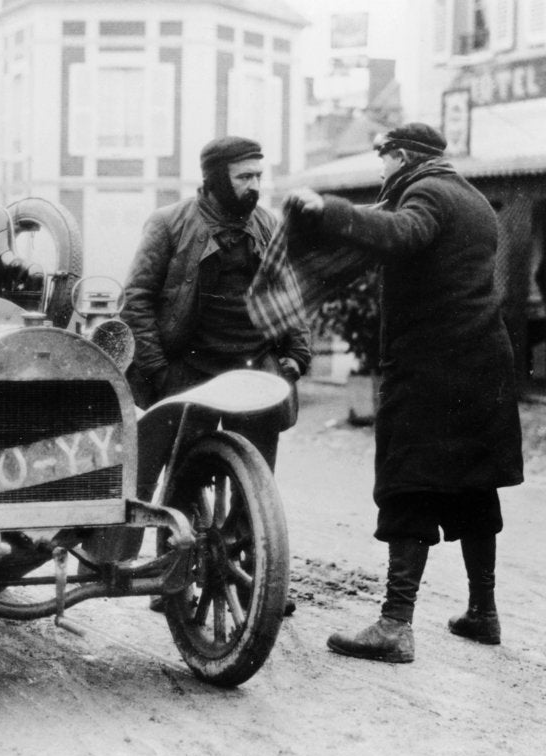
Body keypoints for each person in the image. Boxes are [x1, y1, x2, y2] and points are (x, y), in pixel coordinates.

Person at [286, 123, 524, 663]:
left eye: (383, 161)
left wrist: (331, 211)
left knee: (408, 482)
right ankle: (483, 613)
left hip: (431, 366)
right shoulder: (475, 201)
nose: (381, 171)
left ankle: (394, 625)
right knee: (473, 483)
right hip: (482, 362)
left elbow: (400, 234)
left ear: (401, 157)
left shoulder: (427, 192)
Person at [122, 136, 311, 470]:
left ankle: (242, 523)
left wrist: (297, 354)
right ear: (215, 179)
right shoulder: (168, 223)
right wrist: (158, 370)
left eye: (258, 176)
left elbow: (289, 295)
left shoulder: (268, 225)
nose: (255, 186)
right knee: (151, 474)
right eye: (244, 177)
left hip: (254, 366)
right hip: (189, 367)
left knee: (256, 479)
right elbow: (137, 300)